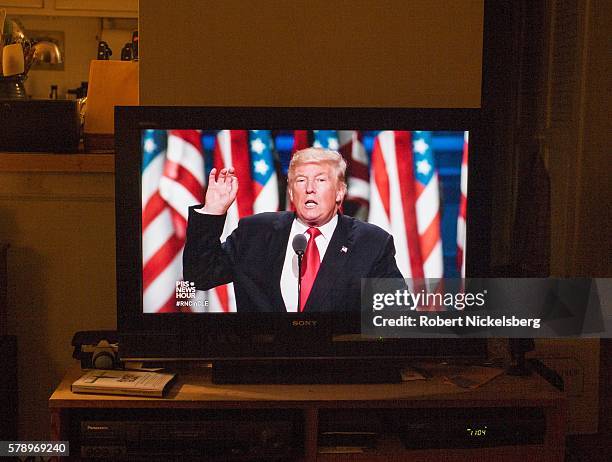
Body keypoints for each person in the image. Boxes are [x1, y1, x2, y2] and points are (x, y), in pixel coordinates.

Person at [183, 147, 403, 312]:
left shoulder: (372, 242)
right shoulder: (255, 232)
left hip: (340, 364)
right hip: (262, 364)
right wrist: (213, 210)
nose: (309, 188)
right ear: (291, 192)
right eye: (300, 180)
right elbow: (200, 277)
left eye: (320, 180)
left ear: (339, 192)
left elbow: (395, 316)